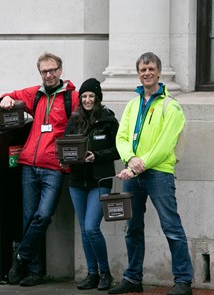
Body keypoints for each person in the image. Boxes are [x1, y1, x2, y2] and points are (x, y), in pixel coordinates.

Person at [109, 52, 193, 295]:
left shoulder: (171, 106)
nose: (147, 73)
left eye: (151, 69)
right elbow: (121, 137)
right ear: (139, 73)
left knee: (172, 227)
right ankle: (133, 278)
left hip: (159, 174)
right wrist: (130, 159)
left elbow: (165, 144)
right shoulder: (132, 104)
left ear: (159, 72)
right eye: (143, 69)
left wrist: (138, 164)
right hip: (133, 172)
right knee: (132, 228)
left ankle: (183, 281)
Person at [0, 52, 79, 287]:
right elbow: (9, 95)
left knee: (43, 216)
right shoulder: (35, 94)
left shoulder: (70, 97)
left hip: (54, 167)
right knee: (28, 218)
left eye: (52, 70)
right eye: (44, 71)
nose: (49, 74)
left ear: (60, 71)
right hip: (28, 166)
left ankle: (21, 256)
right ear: (40, 73)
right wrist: (6, 100)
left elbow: (87, 115)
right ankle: (34, 271)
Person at [61, 78, 120, 291]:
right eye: (84, 96)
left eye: (91, 96)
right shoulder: (74, 120)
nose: (87, 100)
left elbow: (118, 150)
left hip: (99, 181)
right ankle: (92, 274)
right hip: (77, 181)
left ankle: (105, 273)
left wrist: (97, 156)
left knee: (91, 228)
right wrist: (65, 158)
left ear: (97, 98)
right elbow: (66, 147)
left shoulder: (109, 121)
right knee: (84, 231)